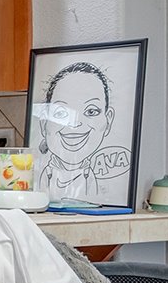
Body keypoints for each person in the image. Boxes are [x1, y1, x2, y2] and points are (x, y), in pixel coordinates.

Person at [34, 62, 129, 203]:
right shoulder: (37, 179)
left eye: (91, 111)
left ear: (108, 119)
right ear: (43, 123)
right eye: (60, 113)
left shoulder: (98, 184)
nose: (75, 123)